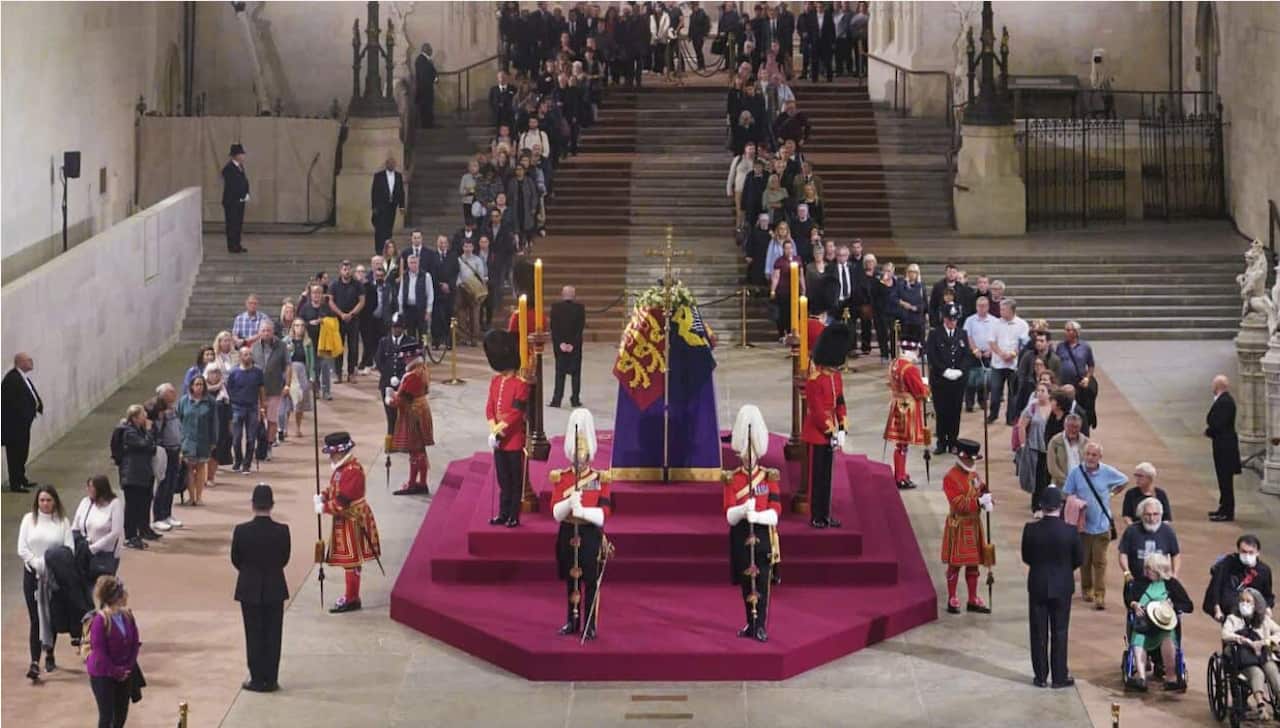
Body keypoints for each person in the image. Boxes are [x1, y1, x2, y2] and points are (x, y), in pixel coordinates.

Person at [550, 409, 613, 640]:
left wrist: (583, 511)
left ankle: (590, 623)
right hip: (567, 532)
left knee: (590, 581)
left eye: (583, 454)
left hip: (589, 534)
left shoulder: (599, 479)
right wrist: (568, 503)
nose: (579, 459)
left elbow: (605, 513)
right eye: (576, 454)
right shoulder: (562, 477)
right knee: (571, 579)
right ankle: (571, 620)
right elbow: (555, 511)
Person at [722, 405, 781, 643]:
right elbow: (727, 514)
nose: (749, 456)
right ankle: (750, 621)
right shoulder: (732, 478)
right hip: (740, 534)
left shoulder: (769, 477)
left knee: (763, 582)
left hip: (763, 533)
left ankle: (761, 624)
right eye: (746, 452)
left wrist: (758, 516)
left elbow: (776, 511)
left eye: (752, 451)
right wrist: (741, 511)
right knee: (747, 583)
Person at [1021, 486, 1083, 688]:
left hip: (1038, 584)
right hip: (1062, 585)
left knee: (1038, 631)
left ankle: (1040, 676)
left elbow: (1026, 557)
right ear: (1060, 506)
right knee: (1060, 631)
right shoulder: (1070, 531)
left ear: (1041, 506)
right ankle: (1059, 677)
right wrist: (1064, 570)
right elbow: (1078, 559)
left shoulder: (1030, 529)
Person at [231, 484, 290, 692]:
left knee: (253, 634)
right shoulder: (282, 531)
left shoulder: (241, 531)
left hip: (249, 587)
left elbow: (236, 559)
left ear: (253, 505)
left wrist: (249, 572)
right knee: (274, 635)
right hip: (275, 586)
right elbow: (284, 558)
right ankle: (271, 678)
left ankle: (257, 678)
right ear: (272, 505)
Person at [314, 432, 382, 613]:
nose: (330, 456)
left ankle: (352, 597)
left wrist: (324, 508)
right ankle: (351, 595)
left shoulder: (352, 472)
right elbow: (334, 488)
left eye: (332, 453)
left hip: (353, 519)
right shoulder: (342, 468)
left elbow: (342, 502)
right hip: (345, 519)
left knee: (351, 561)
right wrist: (324, 495)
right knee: (349, 561)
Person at [1061, 441, 1127, 609]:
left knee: (1100, 561)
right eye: (1088, 454)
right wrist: (1076, 504)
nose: (1090, 458)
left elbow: (1124, 480)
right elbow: (1067, 492)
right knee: (1084, 560)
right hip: (1083, 526)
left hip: (1102, 525)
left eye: (1094, 455)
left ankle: (1100, 595)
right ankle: (1086, 589)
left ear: (1100, 457)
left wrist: (1112, 493)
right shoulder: (1076, 473)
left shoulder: (1107, 472)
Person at [18, 485, 74, 680]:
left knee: (50, 617)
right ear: (37, 502)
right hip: (32, 577)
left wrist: (49, 564)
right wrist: (36, 564)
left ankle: (49, 652)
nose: (45, 504)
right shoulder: (28, 520)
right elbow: (22, 548)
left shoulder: (63, 522)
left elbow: (69, 549)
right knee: (35, 618)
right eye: (42, 500)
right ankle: (34, 662)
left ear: (55, 502)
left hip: (54, 578)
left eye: (49, 500)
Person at [1124, 552, 1192, 692]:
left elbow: (1188, 605)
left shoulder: (1171, 584)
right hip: (1144, 624)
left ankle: (1171, 678)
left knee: (1167, 638)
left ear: (1158, 570)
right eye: (1146, 568)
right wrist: (1134, 605)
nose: (1146, 571)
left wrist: (1173, 605)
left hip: (1164, 625)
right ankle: (1141, 678)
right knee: (1138, 639)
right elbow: (1129, 597)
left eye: (1149, 569)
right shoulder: (1139, 583)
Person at [804, 323, 850, 529]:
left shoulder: (835, 376)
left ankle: (826, 513)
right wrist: (830, 430)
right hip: (817, 433)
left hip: (830, 432)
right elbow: (816, 410)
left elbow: (840, 401)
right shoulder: (814, 380)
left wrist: (842, 427)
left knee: (828, 477)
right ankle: (816, 515)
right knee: (818, 477)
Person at [941, 438, 994, 614]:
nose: (972, 462)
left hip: (974, 523)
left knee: (974, 564)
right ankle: (952, 596)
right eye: (969, 459)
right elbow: (958, 503)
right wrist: (978, 502)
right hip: (959, 525)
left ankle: (972, 598)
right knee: (955, 564)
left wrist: (988, 498)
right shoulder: (951, 477)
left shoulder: (974, 474)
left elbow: (982, 489)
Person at [485, 330, 530, 528]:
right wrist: (493, 428)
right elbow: (490, 407)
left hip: (513, 441)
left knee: (514, 481)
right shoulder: (495, 382)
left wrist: (499, 430)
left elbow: (516, 413)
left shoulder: (521, 384)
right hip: (499, 440)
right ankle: (503, 513)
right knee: (503, 480)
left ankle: (514, 515)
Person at [86, 575, 141, 728]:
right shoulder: (100, 620)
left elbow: (134, 644)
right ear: (117, 596)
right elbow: (99, 653)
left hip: (125, 673)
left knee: (120, 717)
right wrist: (116, 671)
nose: (127, 595)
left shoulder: (128, 616)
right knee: (107, 717)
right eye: (124, 592)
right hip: (103, 674)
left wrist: (127, 668)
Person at [1220, 587, 1280, 709]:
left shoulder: (1264, 620)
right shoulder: (1232, 619)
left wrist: (1265, 641)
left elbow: (1279, 632)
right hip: (1244, 658)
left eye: (1248, 601)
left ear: (1256, 604)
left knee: (1273, 671)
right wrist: (1242, 640)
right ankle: (1260, 705)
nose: (1244, 604)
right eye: (1242, 601)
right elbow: (1225, 634)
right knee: (1257, 673)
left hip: (1264, 656)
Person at [388, 341, 435, 496]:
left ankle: (416, 483)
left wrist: (390, 398)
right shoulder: (422, 369)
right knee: (419, 450)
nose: (404, 360)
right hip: (420, 409)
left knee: (415, 451)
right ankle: (419, 482)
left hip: (413, 413)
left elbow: (402, 400)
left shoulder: (413, 375)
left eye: (406, 358)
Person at [884, 340, 930, 490]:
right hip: (907, 407)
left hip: (897, 403)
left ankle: (901, 473)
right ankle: (900, 476)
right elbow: (919, 392)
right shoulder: (910, 369)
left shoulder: (894, 363)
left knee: (900, 444)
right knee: (903, 445)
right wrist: (925, 386)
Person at [926, 304, 970, 456]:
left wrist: (960, 371)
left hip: (957, 381)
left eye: (955, 320)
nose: (952, 322)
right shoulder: (934, 334)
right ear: (944, 318)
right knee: (941, 411)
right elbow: (931, 355)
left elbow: (966, 355)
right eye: (950, 319)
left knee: (955, 411)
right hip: (940, 380)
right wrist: (944, 370)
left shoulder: (962, 334)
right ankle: (941, 442)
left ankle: (953, 441)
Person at [1205, 534, 1275, 621]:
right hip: (1230, 612)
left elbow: (1267, 594)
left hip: (1254, 614)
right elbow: (1216, 587)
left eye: (1251, 552)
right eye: (1244, 552)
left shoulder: (1264, 571)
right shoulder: (1227, 564)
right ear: (1238, 550)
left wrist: (1268, 608)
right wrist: (1217, 609)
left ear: (1257, 552)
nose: (1247, 555)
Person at [1119, 497, 1182, 591]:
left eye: (1155, 514)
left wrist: (1174, 574)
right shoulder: (1132, 531)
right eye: (1148, 514)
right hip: (1136, 581)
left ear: (1161, 514)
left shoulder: (1167, 531)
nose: (1152, 518)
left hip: (1160, 583)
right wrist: (1127, 573)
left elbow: (1176, 555)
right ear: (1141, 515)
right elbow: (1123, 553)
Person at [116, 405, 156, 550]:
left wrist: (148, 435)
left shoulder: (140, 430)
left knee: (142, 504)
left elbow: (151, 448)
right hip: (132, 475)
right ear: (134, 418)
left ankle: (140, 532)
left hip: (142, 472)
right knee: (132, 507)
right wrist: (150, 432)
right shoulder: (129, 432)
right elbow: (145, 444)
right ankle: (130, 536)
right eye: (142, 415)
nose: (145, 417)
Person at [3, 352, 44, 493]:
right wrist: (25, 415)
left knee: (22, 453)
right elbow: (12, 403)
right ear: (20, 362)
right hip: (14, 427)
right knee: (15, 454)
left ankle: (21, 479)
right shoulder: (12, 379)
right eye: (28, 360)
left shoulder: (21, 377)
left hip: (22, 425)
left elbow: (30, 394)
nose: (31, 361)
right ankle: (15, 483)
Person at [73, 476, 124, 580]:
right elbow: (75, 526)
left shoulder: (115, 504)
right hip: (84, 552)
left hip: (105, 553)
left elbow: (116, 532)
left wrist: (94, 548)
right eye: (88, 486)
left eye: (92, 487)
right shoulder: (85, 502)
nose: (88, 490)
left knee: (102, 589)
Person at [176, 376, 216, 508]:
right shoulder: (184, 401)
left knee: (200, 468)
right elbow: (178, 421)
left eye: (201, 384)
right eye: (197, 384)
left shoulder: (210, 402)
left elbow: (214, 422)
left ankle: (199, 497)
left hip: (203, 440)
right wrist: (179, 441)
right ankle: (191, 497)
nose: (199, 387)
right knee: (189, 468)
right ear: (191, 386)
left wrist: (213, 440)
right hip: (187, 440)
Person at [988, 298, 1029, 425]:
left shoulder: (1022, 324)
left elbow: (1024, 343)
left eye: (1003, 309)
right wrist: (1001, 354)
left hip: (1014, 364)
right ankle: (993, 414)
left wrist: (1013, 354)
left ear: (1011, 310)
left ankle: (1011, 417)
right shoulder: (995, 323)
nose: (1000, 311)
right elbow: (991, 341)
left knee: (1013, 394)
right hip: (997, 364)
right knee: (995, 392)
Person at [1207, 374, 1242, 522]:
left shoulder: (1225, 402)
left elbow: (1219, 423)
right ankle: (1223, 507)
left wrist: (1209, 431)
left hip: (1225, 448)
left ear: (1217, 386)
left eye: (1213, 385)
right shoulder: (1223, 400)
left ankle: (1227, 512)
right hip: (1222, 445)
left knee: (1226, 481)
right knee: (1222, 480)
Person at [226, 347, 266, 474]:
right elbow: (228, 391)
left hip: (252, 407)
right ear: (240, 357)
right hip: (237, 407)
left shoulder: (257, 372)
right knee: (236, 438)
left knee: (251, 437)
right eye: (245, 354)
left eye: (249, 354)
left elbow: (261, 390)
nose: (247, 357)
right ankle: (238, 460)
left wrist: (262, 407)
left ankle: (246, 464)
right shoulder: (234, 372)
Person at [250, 320, 288, 451]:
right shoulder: (253, 347)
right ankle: (258, 445)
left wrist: (287, 384)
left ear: (273, 332)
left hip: (275, 388)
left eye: (268, 330)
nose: (266, 333)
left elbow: (287, 366)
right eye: (263, 330)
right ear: (259, 332)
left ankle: (269, 446)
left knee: (272, 419)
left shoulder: (281, 346)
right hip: (257, 389)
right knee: (257, 420)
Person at [1015, 382, 1053, 511]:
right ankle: (1036, 506)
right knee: (1037, 478)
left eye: (1043, 391)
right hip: (1034, 447)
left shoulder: (1053, 408)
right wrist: (1023, 444)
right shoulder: (1032, 407)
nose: (1040, 394)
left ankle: (1047, 504)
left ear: (1049, 394)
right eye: (1038, 391)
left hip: (1049, 448)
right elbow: (1021, 426)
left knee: (1048, 478)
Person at [329, 260, 366, 381]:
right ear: (340, 271)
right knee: (338, 347)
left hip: (353, 320)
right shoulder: (334, 284)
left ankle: (351, 373)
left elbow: (362, 301)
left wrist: (351, 313)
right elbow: (330, 301)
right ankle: (338, 373)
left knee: (353, 347)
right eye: (344, 269)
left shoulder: (357, 284)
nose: (347, 271)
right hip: (338, 320)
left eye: (349, 269)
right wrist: (341, 314)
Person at [1056, 321, 1097, 429]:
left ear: (1077, 332)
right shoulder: (1060, 346)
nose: (1067, 332)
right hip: (1064, 384)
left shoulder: (1085, 347)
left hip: (1079, 384)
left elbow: (1091, 365)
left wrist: (1087, 378)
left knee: (1080, 409)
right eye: (1066, 330)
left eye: (1070, 330)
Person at [550, 285, 585, 408]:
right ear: (574, 295)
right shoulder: (580, 308)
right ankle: (575, 399)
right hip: (574, 347)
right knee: (576, 374)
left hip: (560, 346)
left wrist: (561, 343)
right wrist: (572, 345)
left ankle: (557, 400)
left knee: (559, 373)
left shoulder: (555, 308)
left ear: (562, 294)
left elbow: (554, 328)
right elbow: (580, 329)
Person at [284, 319, 314, 438]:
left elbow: (311, 361)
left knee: (300, 402)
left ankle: (298, 427)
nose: (299, 328)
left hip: (302, 372)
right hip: (289, 371)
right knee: (287, 402)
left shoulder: (308, 342)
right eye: (297, 325)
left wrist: (312, 376)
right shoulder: (286, 341)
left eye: (302, 325)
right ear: (293, 327)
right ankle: (284, 427)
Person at [370, 158, 405, 255]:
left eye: (393, 163)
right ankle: (379, 249)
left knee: (389, 229)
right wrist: (374, 207)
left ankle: (388, 249)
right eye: (390, 163)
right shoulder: (379, 176)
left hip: (392, 207)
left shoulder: (398, 176)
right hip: (380, 208)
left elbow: (401, 191)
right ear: (386, 164)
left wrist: (402, 206)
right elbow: (374, 192)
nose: (391, 165)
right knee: (380, 229)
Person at [398, 254, 434, 343]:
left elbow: (430, 294)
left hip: (421, 309)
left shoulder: (426, 276)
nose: (413, 264)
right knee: (410, 334)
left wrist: (429, 311)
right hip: (408, 309)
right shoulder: (405, 275)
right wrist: (400, 310)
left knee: (423, 334)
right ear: (408, 264)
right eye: (411, 263)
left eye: (415, 262)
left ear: (418, 263)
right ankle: (412, 353)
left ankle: (423, 352)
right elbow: (401, 293)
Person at [221, 143, 249, 253]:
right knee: (232, 224)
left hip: (240, 201)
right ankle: (232, 246)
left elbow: (243, 182)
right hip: (231, 201)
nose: (243, 156)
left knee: (238, 223)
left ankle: (237, 244)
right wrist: (240, 195)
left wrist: (246, 194)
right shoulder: (229, 168)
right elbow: (233, 185)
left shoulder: (240, 167)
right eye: (241, 154)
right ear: (235, 156)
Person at [414, 43, 438, 128]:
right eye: (430, 49)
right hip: (424, 89)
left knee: (428, 107)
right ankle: (427, 125)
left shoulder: (425, 60)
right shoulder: (421, 60)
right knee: (425, 107)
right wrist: (434, 79)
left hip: (426, 88)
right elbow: (425, 75)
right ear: (426, 49)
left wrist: (435, 78)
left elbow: (431, 72)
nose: (431, 50)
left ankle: (429, 124)